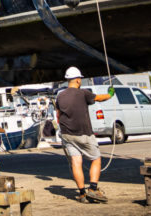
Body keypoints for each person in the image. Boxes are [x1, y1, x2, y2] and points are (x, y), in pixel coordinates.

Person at [55, 66, 114, 203]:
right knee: (96, 159)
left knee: (76, 162)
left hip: (66, 134)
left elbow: (58, 115)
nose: (80, 81)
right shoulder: (83, 93)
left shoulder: (60, 96)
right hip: (84, 133)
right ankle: (93, 189)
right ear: (76, 80)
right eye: (80, 79)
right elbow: (99, 98)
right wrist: (110, 94)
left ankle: (82, 194)